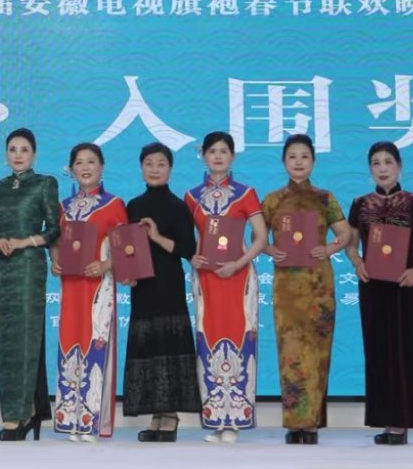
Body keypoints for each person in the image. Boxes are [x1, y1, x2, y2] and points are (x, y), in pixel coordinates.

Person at [345, 141, 413, 446]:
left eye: (388, 162)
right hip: (372, 285)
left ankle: (400, 422)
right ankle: (384, 419)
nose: (382, 168)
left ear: (399, 166)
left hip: (404, 285)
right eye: (376, 163)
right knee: (377, 352)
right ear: (369, 169)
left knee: (403, 351)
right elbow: (350, 244)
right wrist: (357, 262)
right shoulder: (360, 203)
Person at [262, 134, 350, 445]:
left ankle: (310, 423)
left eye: (304, 156)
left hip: (318, 285)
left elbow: (346, 234)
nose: (298, 162)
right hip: (286, 285)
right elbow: (256, 238)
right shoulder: (272, 200)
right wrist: (270, 250)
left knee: (317, 351)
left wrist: (329, 248)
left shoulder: (325, 198)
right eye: (292, 157)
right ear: (284, 162)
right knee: (290, 352)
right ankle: (294, 423)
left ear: (313, 161)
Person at [185, 130, 268, 443]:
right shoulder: (192, 196)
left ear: (232, 156)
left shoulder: (246, 194)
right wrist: (191, 256)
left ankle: (236, 421)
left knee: (240, 340)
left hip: (238, 278)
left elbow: (261, 237)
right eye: (212, 151)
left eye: (223, 151)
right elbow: (187, 238)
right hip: (207, 279)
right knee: (207, 341)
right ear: (203, 156)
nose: (218, 156)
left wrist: (239, 262)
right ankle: (216, 419)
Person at [121, 142, 200, 442]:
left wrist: (155, 236)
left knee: (168, 346)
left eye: (161, 164)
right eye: (149, 164)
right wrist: (128, 273)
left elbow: (188, 249)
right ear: (141, 168)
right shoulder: (133, 206)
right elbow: (127, 247)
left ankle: (170, 416)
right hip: (142, 286)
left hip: (168, 283)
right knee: (149, 348)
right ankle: (157, 414)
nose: (154, 169)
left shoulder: (179, 206)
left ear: (170, 169)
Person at [0, 127, 60, 441]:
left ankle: (26, 413)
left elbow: (54, 229)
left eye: (24, 149)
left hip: (30, 265)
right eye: (13, 149)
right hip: (4, 268)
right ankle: (15, 412)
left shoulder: (45, 183)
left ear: (34, 155)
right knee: (7, 340)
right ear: (6, 155)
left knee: (28, 337)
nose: (18, 155)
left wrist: (23, 242)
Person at [51, 142, 127, 441]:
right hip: (70, 287)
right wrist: (55, 260)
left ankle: (93, 420)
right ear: (71, 169)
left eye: (91, 161)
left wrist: (106, 264)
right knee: (70, 342)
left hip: (98, 287)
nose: (85, 167)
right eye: (79, 162)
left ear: (101, 167)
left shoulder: (114, 204)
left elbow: (128, 248)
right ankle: (71, 419)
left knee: (96, 342)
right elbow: (56, 243)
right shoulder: (63, 207)